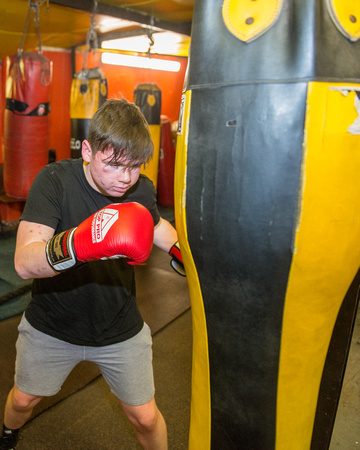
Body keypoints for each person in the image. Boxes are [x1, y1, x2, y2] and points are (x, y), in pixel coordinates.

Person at [0, 98, 184, 450]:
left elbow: (159, 228)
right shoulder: (54, 181)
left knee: (145, 417)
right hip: (52, 326)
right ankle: (9, 434)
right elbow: (24, 261)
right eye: (114, 165)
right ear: (87, 149)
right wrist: (80, 244)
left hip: (119, 327)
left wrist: (186, 258)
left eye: (134, 167)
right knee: (22, 402)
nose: (125, 178)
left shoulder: (139, 189)